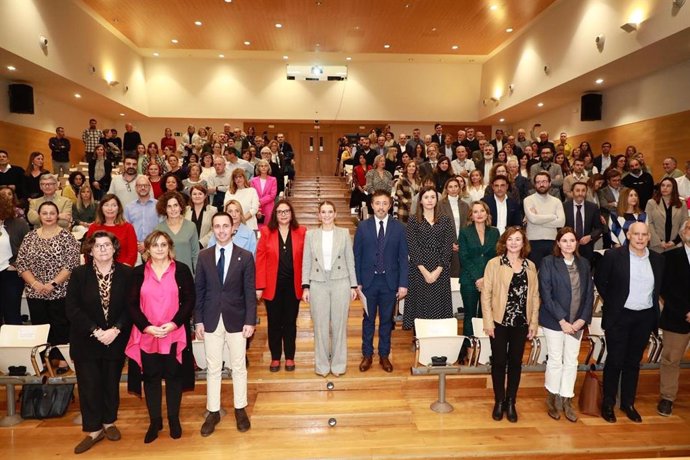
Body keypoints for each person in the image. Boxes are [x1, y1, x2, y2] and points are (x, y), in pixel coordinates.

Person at [65, 231, 132, 454]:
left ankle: (109, 422)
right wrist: (95, 330)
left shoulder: (126, 273)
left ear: (114, 248)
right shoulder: (79, 274)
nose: (102, 249)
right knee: (89, 384)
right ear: (90, 250)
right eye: (97, 246)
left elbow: (131, 307)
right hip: (86, 339)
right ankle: (93, 430)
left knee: (110, 383)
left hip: (115, 337)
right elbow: (72, 308)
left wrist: (116, 329)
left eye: (107, 245)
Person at [125, 231, 195, 443]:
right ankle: (155, 421)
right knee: (151, 378)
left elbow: (189, 300)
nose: (159, 249)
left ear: (169, 247)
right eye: (155, 245)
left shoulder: (181, 270)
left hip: (173, 333)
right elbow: (131, 304)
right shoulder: (137, 273)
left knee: (174, 377)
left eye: (163, 244)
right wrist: (146, 327)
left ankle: (174, 418)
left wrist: (174, 324)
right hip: (148, 334)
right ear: (147, 248)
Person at [595, 222, 664, 423]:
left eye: (644, 235)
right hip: (619, 316)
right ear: (628, 235)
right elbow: (601, 281)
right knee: (615, 360)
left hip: (644, 318)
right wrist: (614, 302)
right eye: (636, 234)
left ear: (649, 237)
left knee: (633, 362)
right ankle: (608, 403)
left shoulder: (658, 260)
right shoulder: (614, 256)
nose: (640, 238)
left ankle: (628, 403)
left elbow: (658, 288)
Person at [195, 212, 256, 436]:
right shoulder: (204, 256)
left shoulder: (246, 256)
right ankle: (213, 411)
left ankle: (240, 409)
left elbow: (250, 292)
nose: (221, 230)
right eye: (217, 226)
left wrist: (250, 320)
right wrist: (198, 320)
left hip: (237, 319)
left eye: (225, 226)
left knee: (238, 366)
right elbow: (199, 290)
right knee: (213, 368)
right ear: (213, 229)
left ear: (233, 229)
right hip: (210, 319)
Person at [481, 226, 540, 423]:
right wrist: (488, 321)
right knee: (498, 362)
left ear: (524, 243)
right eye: (510, 239)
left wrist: (534, 323)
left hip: (521, 323)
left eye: (518, 239)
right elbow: (486, 295)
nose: (514, 243)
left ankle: (511, 401)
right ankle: (499, 401)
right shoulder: (494, 264)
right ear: (504, 242)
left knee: (515, 363)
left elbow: (534, 296)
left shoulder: (530, 266)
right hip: (499, 322)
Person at [16, 201, 81, 373]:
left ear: (57, 215)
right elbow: (22, 263)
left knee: (61, 325)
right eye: (44, 213)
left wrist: (52, 284)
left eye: (52, 213)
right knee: (40, 326)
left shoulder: (67, 237)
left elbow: (71, 264)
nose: (48, 216)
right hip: (35, 291)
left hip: (60, 290)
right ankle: (43, 360)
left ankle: (61, 359)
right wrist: (36, 284)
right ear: (39, 216)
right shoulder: (30, 237)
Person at [538, 227, 594, 422]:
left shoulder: (584, 264)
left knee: (571, 360)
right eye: (565, 240)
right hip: (554, 321)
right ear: (558, 243)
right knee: (555, 359)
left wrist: (581, 320)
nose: (569, 244)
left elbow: (588, 294)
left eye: (572, 240)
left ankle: (566, 398)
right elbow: (546, 294)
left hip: (577, 322)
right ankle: (552, 398)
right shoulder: (548, 262)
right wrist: (562, 320)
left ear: (576, 243)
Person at [353, 190, 409, 373]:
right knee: (368, 320)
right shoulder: (363, 227)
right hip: (368, 282)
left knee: (386, 320)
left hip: (389, 282)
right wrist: (357, 282)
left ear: (390, 205)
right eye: (377, 203)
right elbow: (357, 256)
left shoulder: (399, 227)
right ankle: (367, 354)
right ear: (371, 204)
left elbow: (402, 257)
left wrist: (403, 284)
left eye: (385, 203)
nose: (381, 207)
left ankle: (384, 355)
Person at [301, 201, 358, 377]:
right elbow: (306, 262)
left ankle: (339, 364)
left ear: (335, 214)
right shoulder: (310, 235)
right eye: (323, 212)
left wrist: (353, 285)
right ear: (319, 215)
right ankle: (322, 365)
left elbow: (350, 260)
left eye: (330, 212)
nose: (326, 215)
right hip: (318, 282)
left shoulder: (344, 233)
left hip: (340, 281)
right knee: (320, 326)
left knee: (340, 325)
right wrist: (306, 286)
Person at [256, 200, 306, 372]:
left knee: (290, 322)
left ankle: (290, 357)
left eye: (286, 211)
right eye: (280, 212)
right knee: (274, 323)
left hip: (293, 286)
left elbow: (306, 259)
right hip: (272, 286)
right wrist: (259, 286)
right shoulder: (266, 232)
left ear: (292, 214)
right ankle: (275, 357)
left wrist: (307, 284)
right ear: (275, 215)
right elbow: (260, 259)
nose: (283, 214)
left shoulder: (302, 232)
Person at [404, 185, 455, 330]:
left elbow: (447, 247)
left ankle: (438, 338)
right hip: (419, 268)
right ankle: (419, 338)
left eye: (433, 197)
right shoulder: (413, 220)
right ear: (420, 200)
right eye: (426, 197)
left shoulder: (445, 220)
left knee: (439, 303)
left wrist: (438, 270)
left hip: (440, 267)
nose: (430, 200)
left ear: (437, 200)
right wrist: (425, 271)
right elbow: (412, 247)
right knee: (420, 303)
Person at [657, 218, 690, 417]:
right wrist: (685, 311)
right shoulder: (670, 257)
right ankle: (667, 398)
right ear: (682, 232)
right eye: (688, 227)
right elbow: (665, 288)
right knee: (670, 360)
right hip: (676, 316)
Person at [523, 172, 566, 267]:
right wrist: (552, 216)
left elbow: (561, 222)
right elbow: (533, 219)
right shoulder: (528, 200)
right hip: (533, 242)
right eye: (538, 182)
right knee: (534, 272)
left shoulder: (556, 201)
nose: (541, 184)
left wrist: (539, 219)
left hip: (552, 241)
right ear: (534, 185)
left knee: (552, 273)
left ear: (550, 183)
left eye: (544, 181)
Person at [0, 193, 29, 325]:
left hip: (10, 273)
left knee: (12, 313)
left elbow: (28, 248)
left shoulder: (19, 223)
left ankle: (14, 344)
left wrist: (17, 264)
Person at [87, 194, 138, 266]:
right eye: (106, 205)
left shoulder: (128, 227)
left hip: (122, 270)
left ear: (118, 208)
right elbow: (88, 252)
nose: (110, 208)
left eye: (114, 205)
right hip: (97, 269)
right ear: (101, 208)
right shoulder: (93, 227)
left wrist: (123, 270)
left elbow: (132, 254)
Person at [155, 191, 199, 273]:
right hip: (166, 275)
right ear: (164, 209)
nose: (173, 209)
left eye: (176, 205)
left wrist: (197, 275)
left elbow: (195, 254)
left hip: (186, 274)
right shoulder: (159, 229)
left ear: (181, 207)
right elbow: (156, 256)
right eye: (169, 206)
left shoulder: (191, 226)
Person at [563, 182, 605, 263]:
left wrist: (590, 236)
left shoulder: (593, 207)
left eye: (583, 191)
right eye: (577, 190)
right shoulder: (564, 207)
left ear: (586, 192)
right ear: (572, 192)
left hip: (586, 247)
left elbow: (599, 228)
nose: (580, 193)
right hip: (568, 246)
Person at [438, 177, 470, 278]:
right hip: (445, 245)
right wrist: (449, 243)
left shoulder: (465, 205)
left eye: (456, 186)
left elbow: (468, 225)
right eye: (450, 187)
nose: (453, 189)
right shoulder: (439, 205)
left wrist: (462, 242)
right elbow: (438, 227)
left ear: (460, 188)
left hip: (462, 244)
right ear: (446, 189)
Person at [645, 178, 687, 253]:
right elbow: (648, 223)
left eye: (668, 186)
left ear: (673, 188)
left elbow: (684, 224)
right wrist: (659, 241)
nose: (664, 188)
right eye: (663, 185)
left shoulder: (682, 203)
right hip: (656, 245)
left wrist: (675, 241)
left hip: (675, 245)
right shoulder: (651, 203)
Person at [250, 159, 278, 228]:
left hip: (269, 208)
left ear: (268, 168)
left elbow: (272, 195)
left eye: (265, 166)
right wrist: (258, 209)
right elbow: (253, 195)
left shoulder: (273, 179)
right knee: (257, 229)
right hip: (256, 208)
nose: (263, 167)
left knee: (269, 229)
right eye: (261, 166)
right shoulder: (253, 180)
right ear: (258, 168)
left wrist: (260, 201)